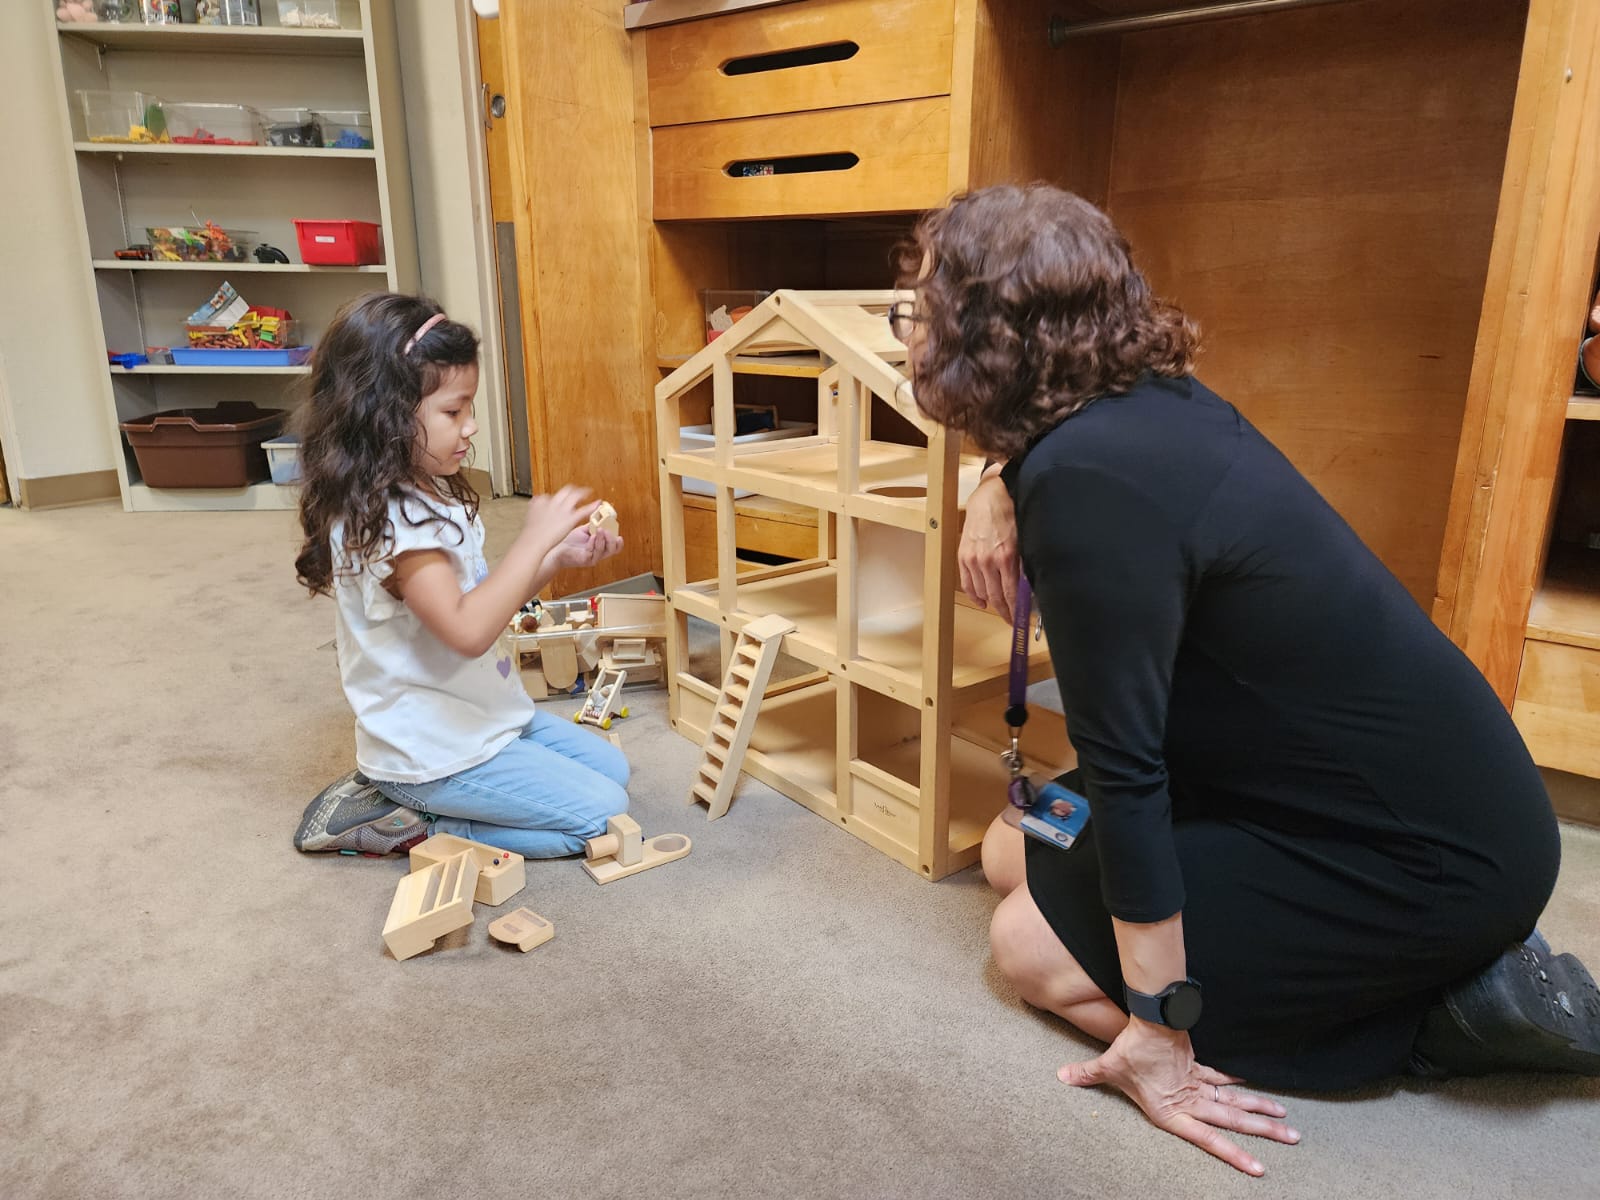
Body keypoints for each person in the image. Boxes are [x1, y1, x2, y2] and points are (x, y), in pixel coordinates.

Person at [891, 185, 1600, 1177]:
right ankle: (1366, 972)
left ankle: (1437, 1013)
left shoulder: (1085, 483)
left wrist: (1158, 1029)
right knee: (1012, 845)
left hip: (1419, 854)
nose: (909, 328)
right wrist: (992, 482)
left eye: (917, 308)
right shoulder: (1141, 401)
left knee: (1024, 948)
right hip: (1323, 781)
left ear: (983, 334)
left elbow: (1127, 774)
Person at [289, 292, 630, 858]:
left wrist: (555, 559)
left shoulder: (423, 490)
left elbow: (478, 601)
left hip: (482, 716)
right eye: (454, 412)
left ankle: (420, 799)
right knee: (600, 816)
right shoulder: (394, 524)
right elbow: (468, 631)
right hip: (434, 753)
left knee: (612, 768)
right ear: (386, 413)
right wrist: (531, 541)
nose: (470, 428)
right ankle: (410, 820)